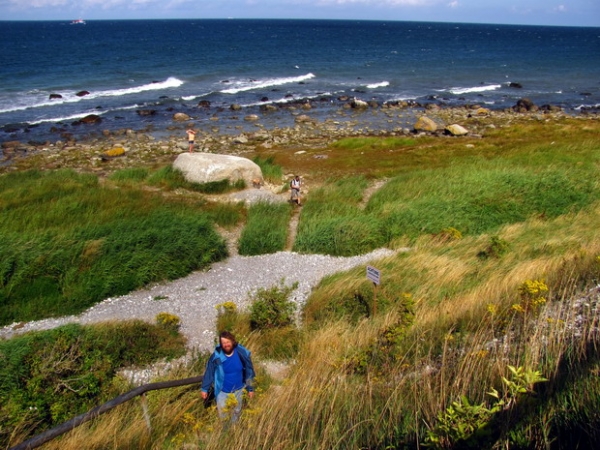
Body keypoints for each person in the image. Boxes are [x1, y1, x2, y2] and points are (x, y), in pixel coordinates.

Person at [201, 331, 255, 423]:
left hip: (238, 391)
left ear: (232, 341)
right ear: (221, 344)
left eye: (228, 342)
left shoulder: (241, 353)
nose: (226, 345)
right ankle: (225, 434)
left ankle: (234, 433)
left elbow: (248, 373)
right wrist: (204, 388)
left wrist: (250, 389)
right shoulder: (216, 356)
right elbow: (209, 372)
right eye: (223, 343)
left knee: (236, 414)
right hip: (222, 392)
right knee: (224, 416)